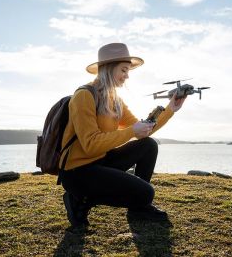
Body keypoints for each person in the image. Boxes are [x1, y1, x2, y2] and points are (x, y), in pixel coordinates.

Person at [60, 43, 186, 227]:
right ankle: (79, 199)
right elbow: (90, 144)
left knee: (148, 145)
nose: (127, 76)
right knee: (146, 193)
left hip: (101, 160)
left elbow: (142, 129)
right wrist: (130, 132)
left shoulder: (115, 99)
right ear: (110, 69)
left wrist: (170, 109)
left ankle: (138, 208)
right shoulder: (84, 96)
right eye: (124, 70)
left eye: (128, 71)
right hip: (78, 171)